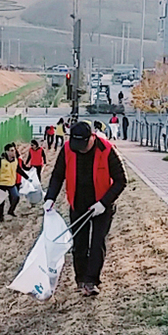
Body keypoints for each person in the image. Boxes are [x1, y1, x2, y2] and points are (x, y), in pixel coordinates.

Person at [44, 121, 127, 297]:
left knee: (97, 243)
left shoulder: (106, 149)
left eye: (83, 145)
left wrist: (104, 203)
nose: (80, 150)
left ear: (92, 137)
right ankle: (80, 279)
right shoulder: (68, 149)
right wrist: (50, 197)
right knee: (79, 244)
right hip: (78, 203)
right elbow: (57, 175)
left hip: (101, 206)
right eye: (77, 146)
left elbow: (121, 180)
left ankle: (91, 281)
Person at [0, 143, 29, 222]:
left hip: (11, 184)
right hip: (1, 184)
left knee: (16, 197)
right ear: (7, 151)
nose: (13, 152)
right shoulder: (0, 161)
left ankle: (11, 210)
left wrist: (27, 177)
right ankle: (1, 216)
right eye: (11, 151)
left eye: (14, 150)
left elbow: (18, 170)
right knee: (1, 201)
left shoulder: (15, 161)